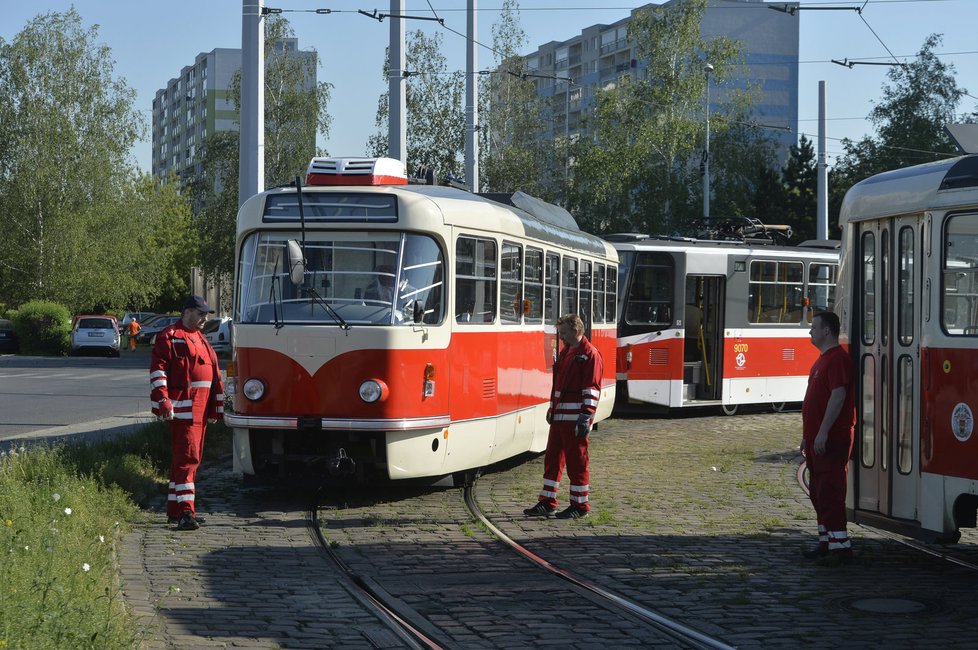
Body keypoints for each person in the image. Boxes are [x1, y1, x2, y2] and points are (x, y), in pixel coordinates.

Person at [150, 296, 224, 531]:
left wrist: (214, 408)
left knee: (188, 460)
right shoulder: (170, 336)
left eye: (206, 314)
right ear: (187, 312)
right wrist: (162, 399)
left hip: (200, 410)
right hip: (184, 409)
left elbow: (211, 374)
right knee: (187, 460)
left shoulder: (201, 338)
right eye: (201, 314)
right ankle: (185, 513)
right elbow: (158, 369)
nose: (205, 318)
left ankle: (174, 510)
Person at [524, 313, 604, 520]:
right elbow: (558, 386)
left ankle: (580, 505)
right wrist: (553, 409)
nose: (561, 337)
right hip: (560, 418)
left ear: (575, 331)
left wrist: (585, 418)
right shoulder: (568, 352)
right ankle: (548, 502)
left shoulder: (589, 355)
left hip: (574, 420)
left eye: (564, 333)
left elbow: (592, 389)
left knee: (577, 462)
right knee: (552, 459)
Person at [800, 310, 855, 561]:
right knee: (818, 492)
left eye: (814, 326)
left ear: (827, 331)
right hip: (816, 439)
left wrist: (822, 432)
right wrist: (807, 435)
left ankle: (840, 545)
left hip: (831, 439)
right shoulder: (822, 360)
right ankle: (827, 541)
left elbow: (838, 396)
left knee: (830, 491)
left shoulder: (837, 360)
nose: (810, 331)